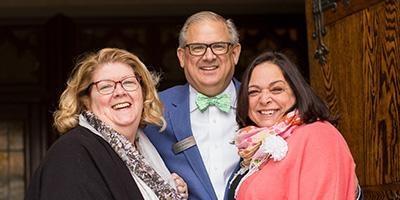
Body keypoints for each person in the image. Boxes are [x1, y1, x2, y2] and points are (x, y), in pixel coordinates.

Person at [25, 48, 188, 200]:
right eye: (106, 86)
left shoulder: (143, 149)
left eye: (129, 83)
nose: (120, 92)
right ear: (86, 101)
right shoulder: (71, 153)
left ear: (143, 91)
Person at [228, 51, 361, 199]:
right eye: (253, 92)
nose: (264, 99)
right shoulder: (253, 146)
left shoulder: (318, 134)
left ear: (296, 92)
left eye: (277, 89)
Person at [144, 11, 242, 200]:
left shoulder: (262, 103)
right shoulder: (154, 109)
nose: (209, 56)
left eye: (219, 46)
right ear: (181, 56)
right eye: (197, 48)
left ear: (235, 53)